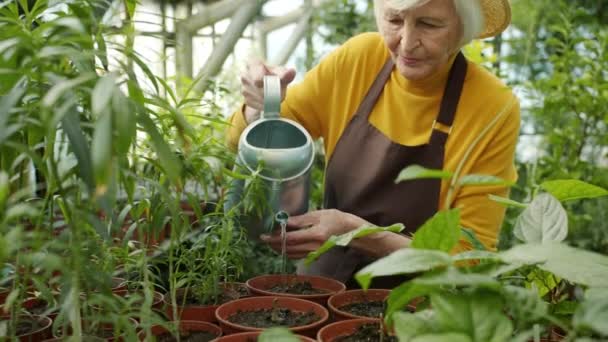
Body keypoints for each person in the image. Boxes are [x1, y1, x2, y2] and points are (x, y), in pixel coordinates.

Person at [226, 0, 519, 287]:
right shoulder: (358, 59)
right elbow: (243, 142)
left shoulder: (492, 107)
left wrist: (355, 232)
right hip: (322, 287)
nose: (406, 43)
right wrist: (259, 107)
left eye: (429, 24)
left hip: (419, 307)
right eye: (394, 20)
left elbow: (469, 261)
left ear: (462, 28)